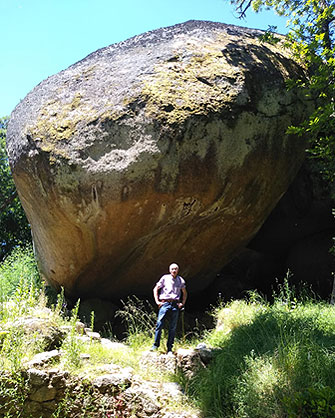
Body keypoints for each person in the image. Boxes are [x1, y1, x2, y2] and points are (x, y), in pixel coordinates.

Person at [151, 263, 187, 354]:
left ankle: (169, 348)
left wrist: (182, 303)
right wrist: (157, 301)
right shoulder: (165, 278)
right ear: (169, 270)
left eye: (175, 269)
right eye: (172, 269)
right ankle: (155, 345)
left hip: (175, 304)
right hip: (165, 303)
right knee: (159, 323)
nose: (174, 271)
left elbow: (184, 292)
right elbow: (155, 289)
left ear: (178, 270)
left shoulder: (180, 280)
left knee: (173, 327)